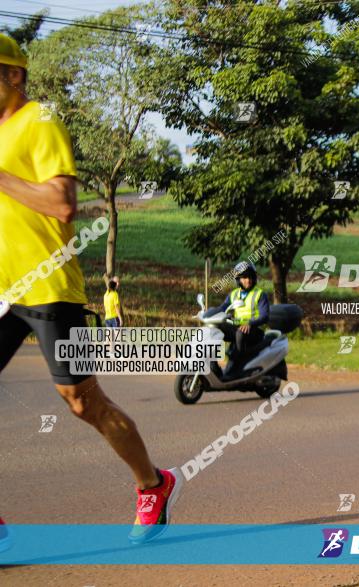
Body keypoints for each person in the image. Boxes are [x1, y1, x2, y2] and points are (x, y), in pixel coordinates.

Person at [0, 33, 181, 545]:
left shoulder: (40, 121)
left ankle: (154, 484)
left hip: (51, 287)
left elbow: (61, 204)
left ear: (14, 74)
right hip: (4, 290)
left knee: (82, 403)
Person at [205, 261, 270, 377]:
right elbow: (222, 308)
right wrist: (209, 314)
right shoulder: (233, 294)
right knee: (214, 331)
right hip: (237, 327)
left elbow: (264, 316)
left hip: (254, 330)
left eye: (250, 277)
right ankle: (213, 366)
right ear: (238, 279)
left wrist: (250, 323)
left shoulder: (260, 294)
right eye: (244, 277)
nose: (248, 280)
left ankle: (239, 367)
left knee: (240, 333)